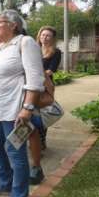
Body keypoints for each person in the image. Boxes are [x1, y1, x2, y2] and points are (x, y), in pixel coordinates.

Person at [0, 9, 44, 197]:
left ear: (14, 25)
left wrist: (27, 108)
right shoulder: (1, 48)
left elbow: (36, 79)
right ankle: (5, 182)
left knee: (15, 152)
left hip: (15, 111)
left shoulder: (25, 43)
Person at [28, 26, 61, 185]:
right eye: (43, 34)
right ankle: (36, 141)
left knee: (42, 114)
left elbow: (51, 70)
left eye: (48, 36)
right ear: (39, 35)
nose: (45, 37)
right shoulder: (33, 49)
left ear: (52, 38)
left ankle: (40, 142)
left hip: (44, 86)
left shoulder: (55, 52)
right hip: (30, 85)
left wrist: (36, 73)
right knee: (30, 113)